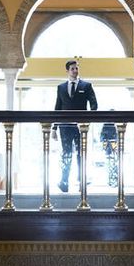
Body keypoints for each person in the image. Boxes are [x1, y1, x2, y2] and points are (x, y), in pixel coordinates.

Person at [53, 59, 96, 192]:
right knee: (66, 154)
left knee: (81, 153)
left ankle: (81, 180)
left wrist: (88, 119)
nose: (75, 71)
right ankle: (64, 181)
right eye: (72, 69)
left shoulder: (86, 86)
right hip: (64, 127)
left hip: (81, 127)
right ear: (67, 71)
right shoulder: (61, 87)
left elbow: (94, 104)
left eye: (77, 68)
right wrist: (54, 128)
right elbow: (57, 107)